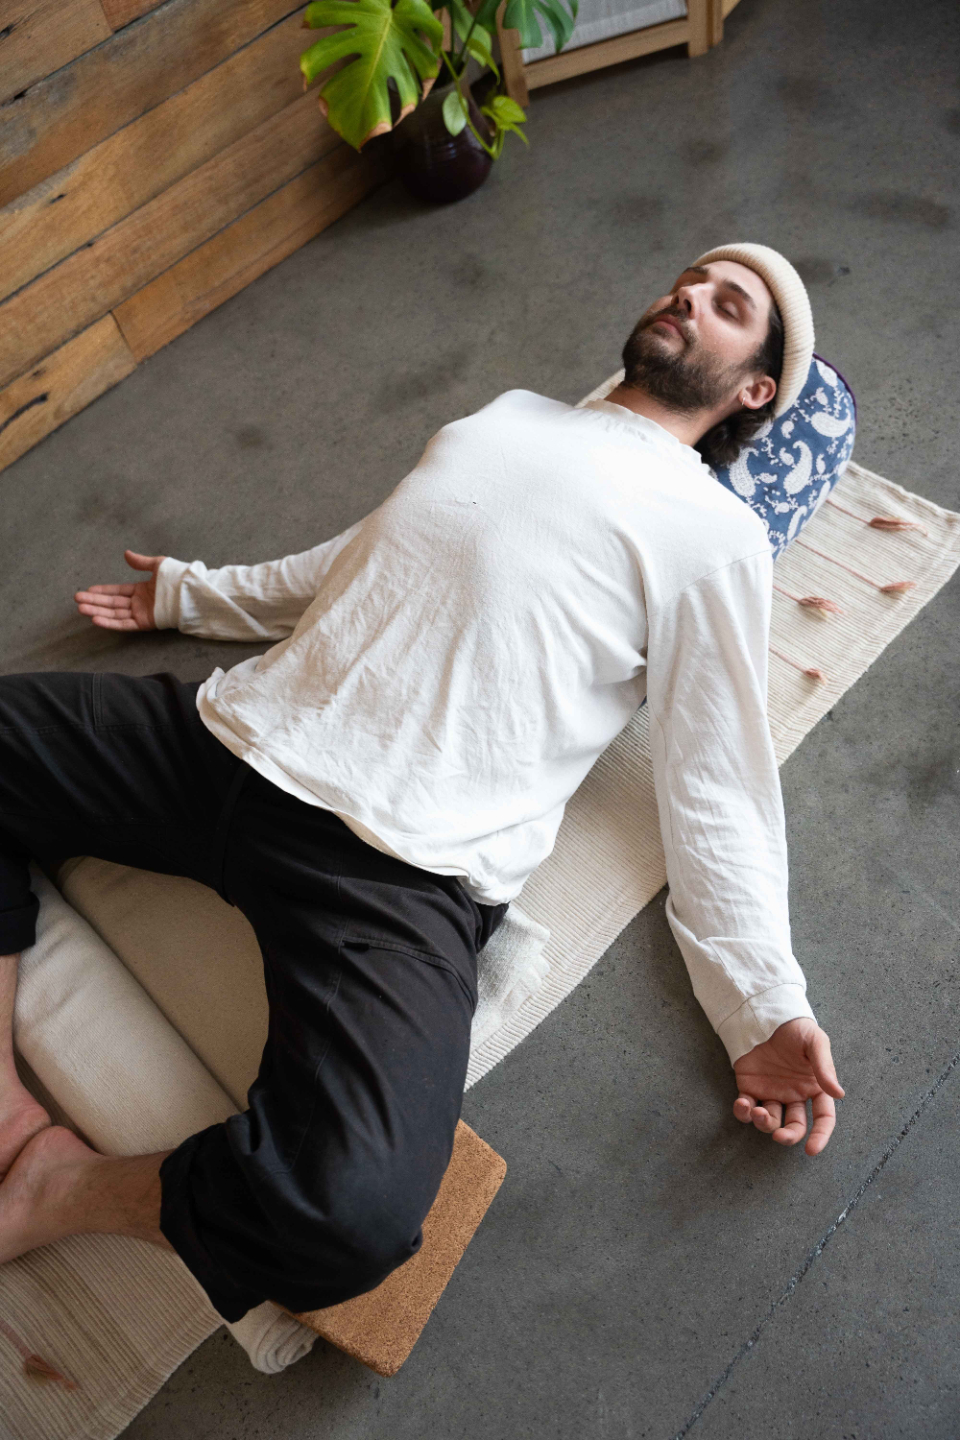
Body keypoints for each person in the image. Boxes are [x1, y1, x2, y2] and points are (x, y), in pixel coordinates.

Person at [0, 242, 844, 1322]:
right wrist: (196, 597)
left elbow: (717, 780)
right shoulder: (512, 418)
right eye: (690, 279)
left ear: (755, 389)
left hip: (397, 871)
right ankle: (9, 1119)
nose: (689, 295)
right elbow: (368, 554)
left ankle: (57, 1188)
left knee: (352, 1214)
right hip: (233, 742)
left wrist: (759, 1004)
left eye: (728, 306)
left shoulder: (716, 535)